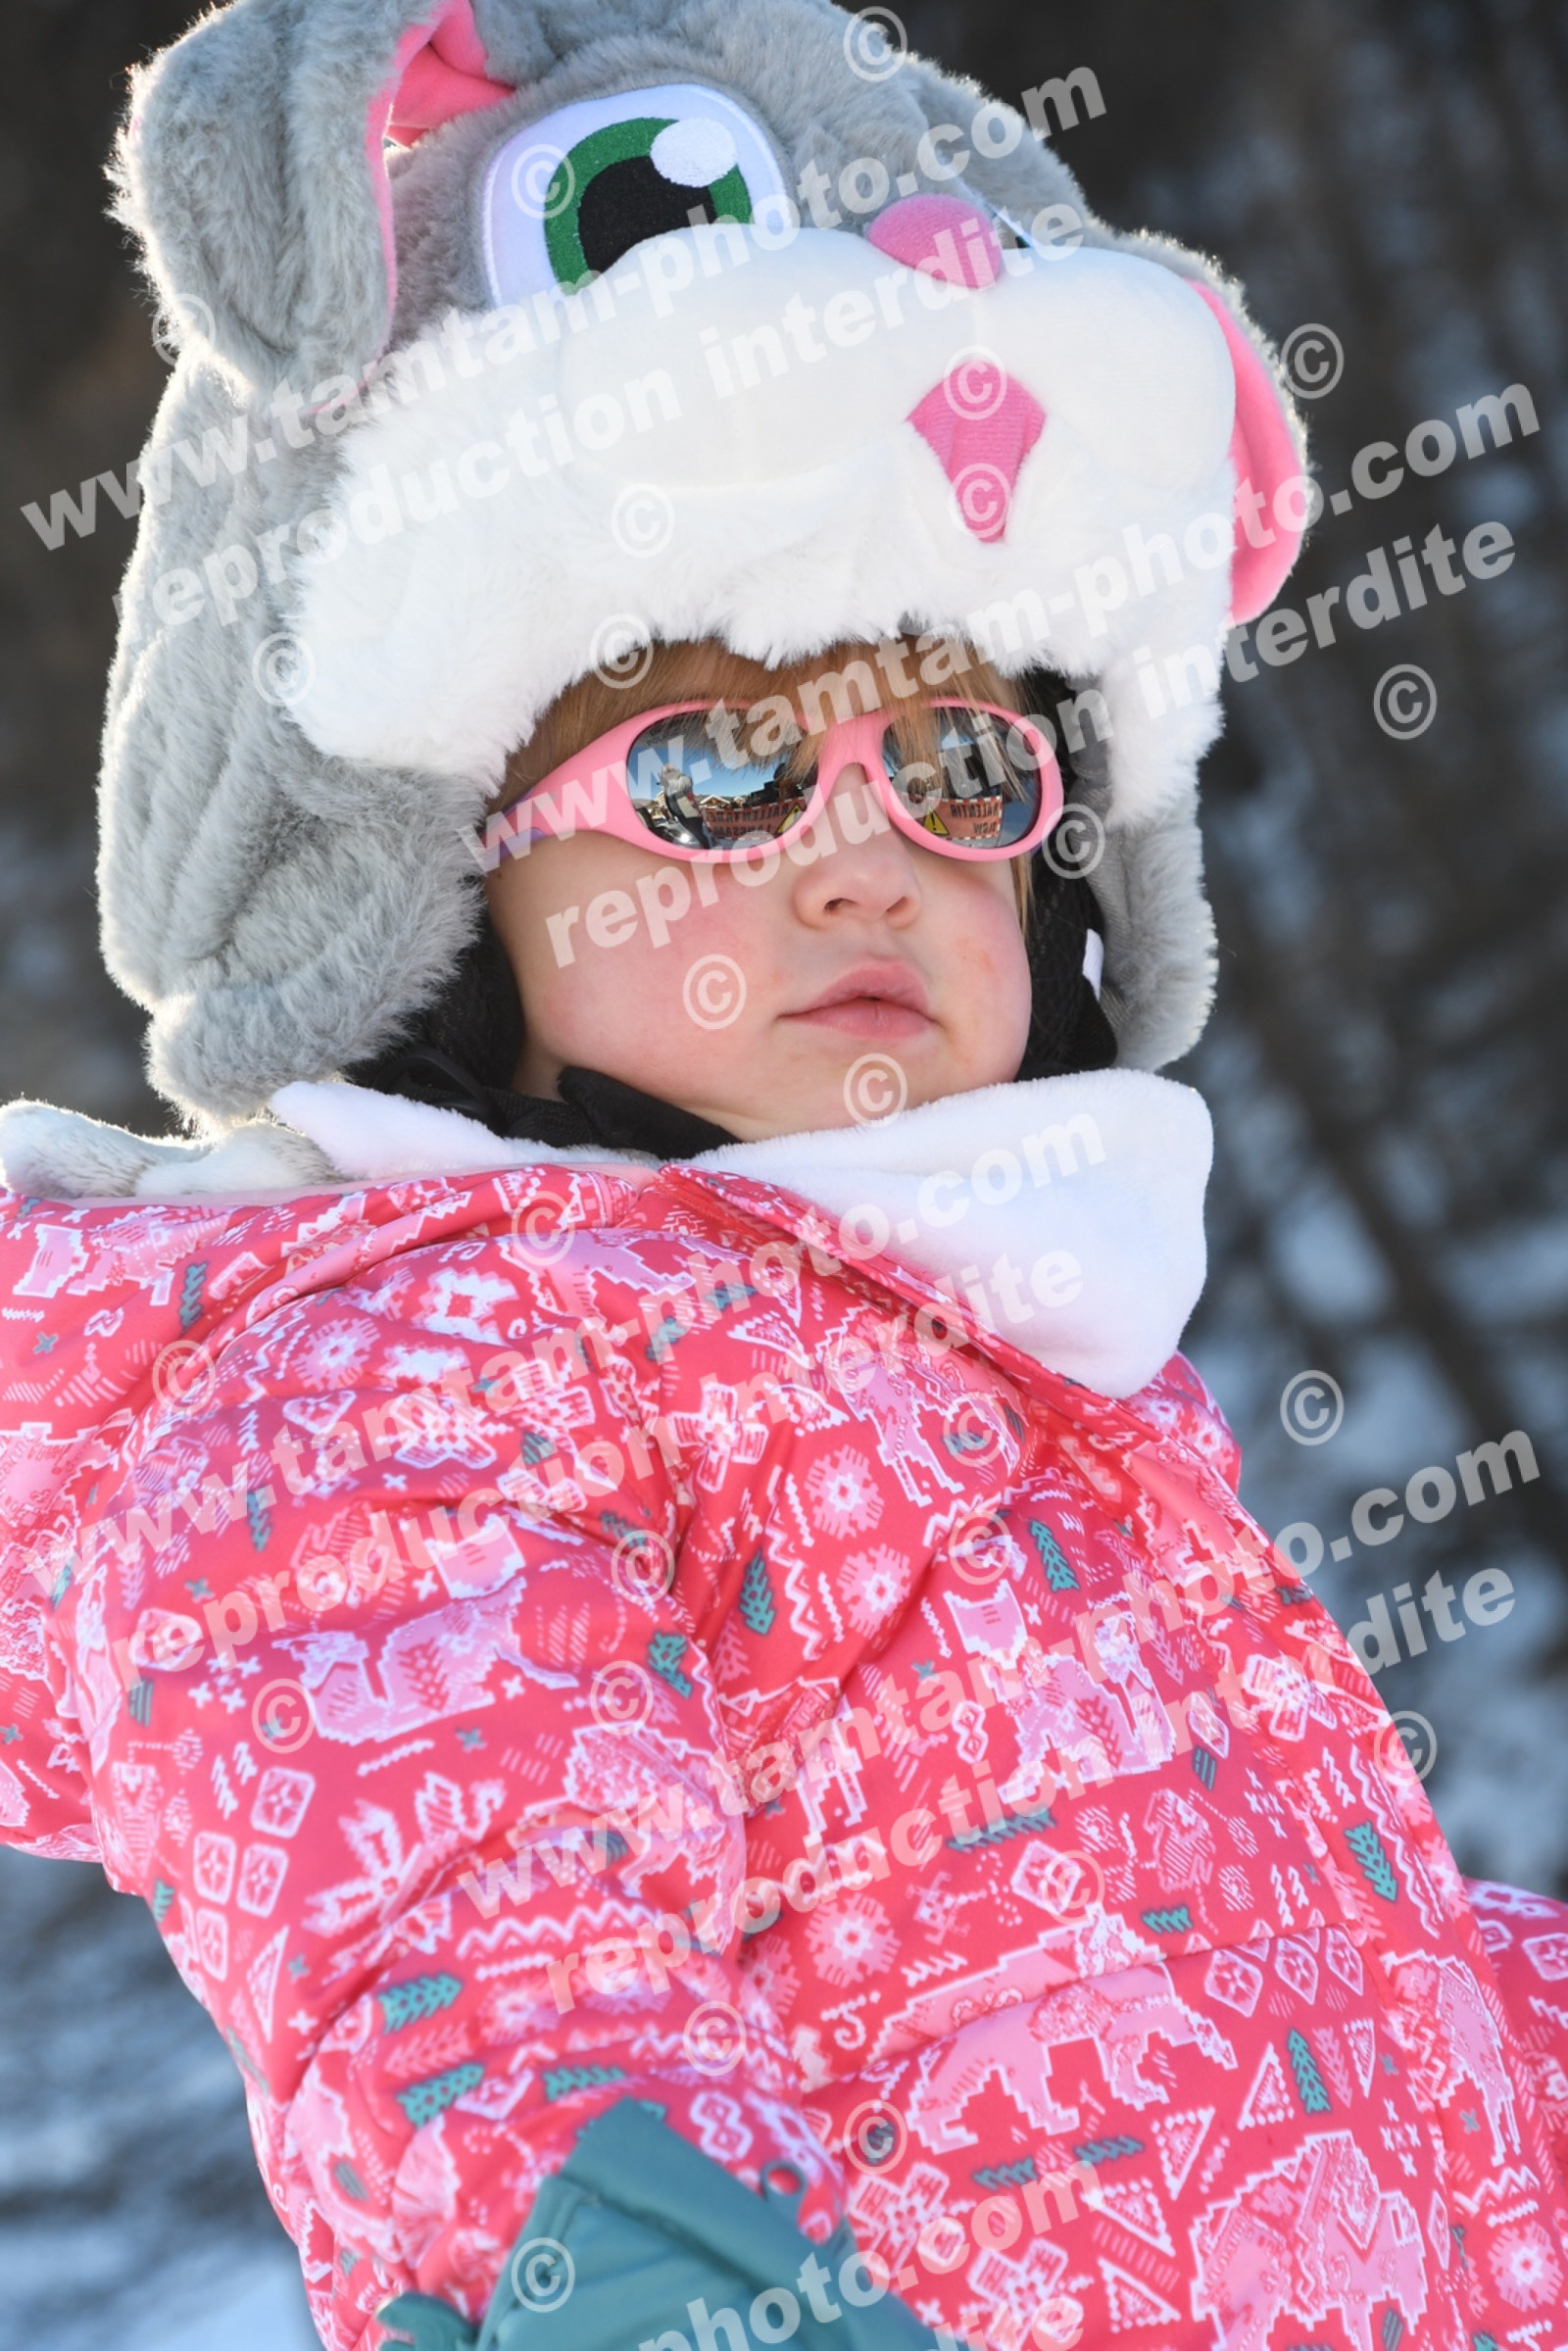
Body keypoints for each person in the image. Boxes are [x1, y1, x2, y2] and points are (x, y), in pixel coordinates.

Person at [2, 5, 1566, 2350]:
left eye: (956, 769)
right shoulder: (394, 1396)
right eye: (718, 777)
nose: (865, 863)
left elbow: (1347, 2011)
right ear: (441, 907)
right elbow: (485, 1986)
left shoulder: (1025, 1411)